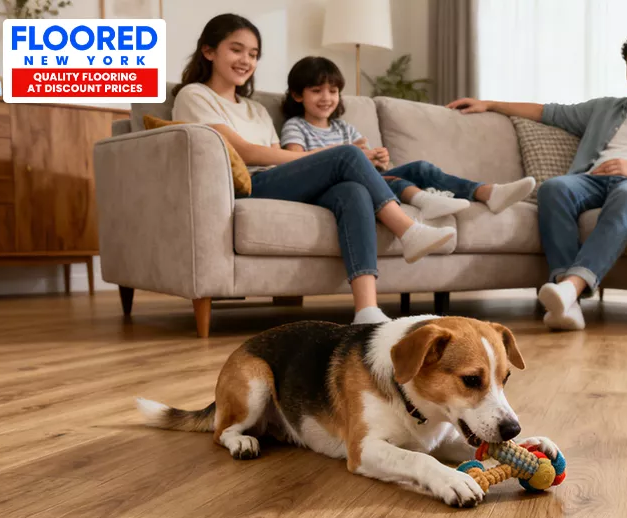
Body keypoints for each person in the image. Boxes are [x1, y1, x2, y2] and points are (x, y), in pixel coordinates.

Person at [171, 14, 453, 325]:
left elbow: (274, 154)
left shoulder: (255, 108)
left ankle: (366, 310)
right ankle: (407, 229)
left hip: (274, 181)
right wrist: (327, 158)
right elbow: (244, 150)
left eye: (253, 54)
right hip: (245, 184)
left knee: (353, 190)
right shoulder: (194, 95)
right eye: (236, 50)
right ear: (209, 51)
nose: (246, 60)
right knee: (346, 155)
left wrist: (323, 163)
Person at [448, 30, 627, 330]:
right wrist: (490, 104)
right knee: (555, 188)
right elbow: (548, 112)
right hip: (593, 178)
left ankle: (571, 288)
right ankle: (565, 297)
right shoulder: (605, 109)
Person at [279, 56, 535, 220]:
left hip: (366, 178)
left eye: (333, 91)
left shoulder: (344, 128)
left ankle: (486, 191)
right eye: (316, 91)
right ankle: (425, 200)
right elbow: (297, 164)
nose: (326, 98)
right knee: (394, 181)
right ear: (298, 95)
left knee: (420, 167)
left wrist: (377, 158)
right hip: (331, 188)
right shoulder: (296, 127)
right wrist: (348, 153)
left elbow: (367, 163)